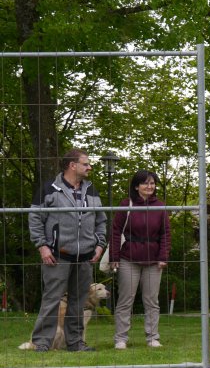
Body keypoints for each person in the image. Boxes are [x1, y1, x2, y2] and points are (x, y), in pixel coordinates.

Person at [28, 148, 107, 352]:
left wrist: (99, 245)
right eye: (85, 164)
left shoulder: (91, 190)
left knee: (78, 302)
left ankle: (75, 342)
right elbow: (35, 218)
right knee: (51, 299)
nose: (89, 167)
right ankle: (41, 342)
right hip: (57, 256)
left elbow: (101, 221)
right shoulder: (49, 189)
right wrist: (42, 246)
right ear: (72, 165)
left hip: (85, 257)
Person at [110, 170, 171, 350]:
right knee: (125, 300)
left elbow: (166, 234)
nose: (149, 186)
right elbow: (115, 232)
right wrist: (114, 257)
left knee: (152, 301)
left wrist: (163, 257)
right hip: (128, 259)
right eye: (145, 183)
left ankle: (152, 338)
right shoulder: (126, 205)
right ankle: (121, 339)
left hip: (153, 261)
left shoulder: (160, 207)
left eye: (152, 183)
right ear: (136, 186)